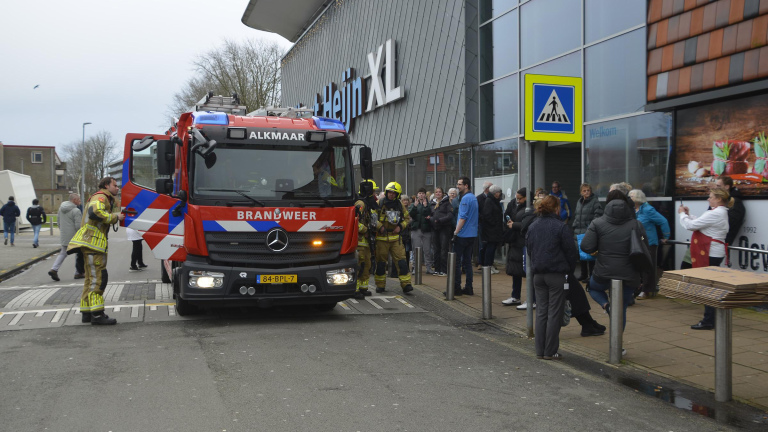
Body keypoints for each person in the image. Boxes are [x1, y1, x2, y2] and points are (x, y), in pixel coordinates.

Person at [581, 189, 644, 349]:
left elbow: (586, 246)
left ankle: (606, 306)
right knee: (621, 309)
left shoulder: (597, 223)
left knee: (592, 288)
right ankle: (616, 347)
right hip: (629, 275)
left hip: (603, 272)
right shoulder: (636, 224)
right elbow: (644, 244)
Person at [525, 195, 578, 360]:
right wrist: (569, 270)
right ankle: (550, 351)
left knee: (541, 312)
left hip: (538, 275)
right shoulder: (560, 227)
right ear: (556, 208)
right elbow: (571, 252)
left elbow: (530, 250)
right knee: (554, 313)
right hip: (556, 274)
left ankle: (540, 350)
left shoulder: (533, 226)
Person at [67, 177, 125, 325]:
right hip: (93, 244)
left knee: (90, 279)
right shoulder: (101, 197)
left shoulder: (102, 197)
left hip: (90, 244)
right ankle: (97, 315)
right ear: (106, 185)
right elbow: (95, 213)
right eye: (115, 185)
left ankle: (87, 313)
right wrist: (115, 217)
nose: (117, 188)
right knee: (99, 279)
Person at [680, 188, 732, 330]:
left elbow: (691, 225)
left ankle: (708, 320)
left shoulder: (716, 213)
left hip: (710, 253)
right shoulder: (719, 213)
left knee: (707, 287)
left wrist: (682, 215)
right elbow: (700, 222)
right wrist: (688, 214)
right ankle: (711, 318)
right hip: (714, 252)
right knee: (710, 285)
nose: (708, 199)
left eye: (710, 197)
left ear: (719, 199)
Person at [629, 189, 670, 299]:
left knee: (648, 266)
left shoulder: (648, 210)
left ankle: (647, 290)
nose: (629, 198)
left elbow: (663, 221)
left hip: (649, 242)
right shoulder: (632, 210)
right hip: (636, 242)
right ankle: (638, 288)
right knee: (637, 266)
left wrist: (666, 236)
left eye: (631, 196)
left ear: (638, 198)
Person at [374, 181, 414, 294]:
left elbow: (407, 219)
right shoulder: (379, 203)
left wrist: (400, 227)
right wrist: (379, 226)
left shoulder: (399, 205)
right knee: (381, 263)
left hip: (396, 238)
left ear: (397, 195)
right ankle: (380, 285)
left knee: (402, 262)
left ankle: (406, 285)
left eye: (394, 193)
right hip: (382, 238)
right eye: (389, 192)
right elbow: (372, 218)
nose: (391, 194)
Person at [450, 177, 479, 296]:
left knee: (456, 262)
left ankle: (456, 288)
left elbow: (462, 217)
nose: (458, 186)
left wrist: (455, 233)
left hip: (463, 234)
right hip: (472, 234)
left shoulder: (465, 199)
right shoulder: (473, 198)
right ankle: (469, 287)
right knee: (467, 262)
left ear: (466, 185)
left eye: (460, 184)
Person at [502, 188, 530, 305]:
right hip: (515, 241)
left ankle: (531, 299)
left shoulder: (529, 209)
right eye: (517, 198)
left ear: (526, 198)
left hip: (523, 242)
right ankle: (515, 296)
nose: (517, 200)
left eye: (520, 198)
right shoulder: (514, 204)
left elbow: (527, 224)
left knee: (527, 271)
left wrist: (514, 225)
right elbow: (507, 214)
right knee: (515, 270)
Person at [48, 194, 85, 281]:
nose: (80, 201)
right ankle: (78, 273)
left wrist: (63, 231)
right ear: (74, 200)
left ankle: (54, 269)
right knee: (80, 253)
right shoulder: (76, 211)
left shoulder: (61, 209)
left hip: (65, 235)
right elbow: (78, 226)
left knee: (63, 253)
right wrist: (81, 235)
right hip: (75, 236)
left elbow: (58, 221)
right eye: (79, 199)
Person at [571, 183, 603, 282]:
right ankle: (583, 274)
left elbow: (598, 215)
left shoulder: (595, 202)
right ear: (581, 192)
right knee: (581, 255)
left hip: (589, 230)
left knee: (590, 254)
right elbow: (577, 214)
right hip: (578, 231)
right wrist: (574, 225)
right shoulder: (579, 202)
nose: (586, 192)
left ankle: (591, 275)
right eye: (584, 191)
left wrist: (591, 227)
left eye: (588, 190)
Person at [353, 180, 378, 299]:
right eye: (373, 191)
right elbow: (353, 222)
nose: (374, 194)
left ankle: (363, 288)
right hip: (359, 242)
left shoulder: (368, 204)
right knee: (360, 265)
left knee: (367, 265)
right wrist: (366, 230)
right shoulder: (360, 203)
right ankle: (355, 289)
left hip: (366, 243)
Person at [409, 188, 434, 274]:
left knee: (427, 250)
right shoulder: (413, 204)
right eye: (419, 193)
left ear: (425, 195)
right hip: (416, 230)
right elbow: (411, 214)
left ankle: (428, 267)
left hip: (426, 230)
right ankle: (415, 268)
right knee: (416, 249)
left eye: (422, 193)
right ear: (417, 194)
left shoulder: (429, 204)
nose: (421, 195)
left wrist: (426, 206)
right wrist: (415, 206)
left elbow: (429, 214)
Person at [479, 184, 503, 273]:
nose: (499, 194)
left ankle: (490, 265)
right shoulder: (489, 201)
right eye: (498, 193)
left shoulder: (493, 201)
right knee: (490, 248)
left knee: (492, 248)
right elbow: (487, 215)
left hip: (493, 229)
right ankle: (487, 265)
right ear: (495, 193)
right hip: (491, 230)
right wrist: (494, 223)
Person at [430, 187, 453, 276]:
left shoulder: (447, 203)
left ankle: (444, 270)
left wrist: (440, 220)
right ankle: (437, 269)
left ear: (443, 193)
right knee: (436, 249)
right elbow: (430, 214)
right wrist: (431, 219)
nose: (438, 193)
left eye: (440, 192)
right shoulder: (432, 203)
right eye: (436, 192)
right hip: (435, 228)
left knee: (444, 249)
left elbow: (450, 215)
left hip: (444, 228)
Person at [476, 181, 492, 269]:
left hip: (490, 225)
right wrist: (482, 218)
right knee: (482, 244)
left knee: (489, 244)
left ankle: (489, 262)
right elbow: (477, 212)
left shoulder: (493, 199)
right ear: (487, 189)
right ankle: (480, 262)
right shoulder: (479, 198)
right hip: (482, 224)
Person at [400, 195, 413, 274]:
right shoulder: (400, 209)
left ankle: (407, 266)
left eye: (406, 200)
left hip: (408, 232)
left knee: (407, 251)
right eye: (404, 200)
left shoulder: (410, 209)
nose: (405, 202)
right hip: (402, 232)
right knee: (402, 251)